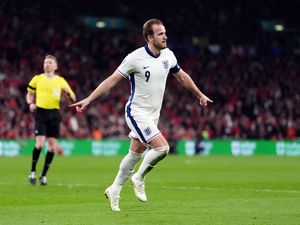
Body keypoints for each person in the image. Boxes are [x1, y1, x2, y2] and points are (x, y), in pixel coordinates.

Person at [70, 18, 213, 211]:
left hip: (153, 115)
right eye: (160, 33)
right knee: (162, 149)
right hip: (136, 112)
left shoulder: (168, 55)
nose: (165, 36)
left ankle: (114, 189)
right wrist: (89, 99)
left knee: (135, 153)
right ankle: (139, 178)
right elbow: (112, 80)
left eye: (165, 32)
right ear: (149, 37)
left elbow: (182, 77)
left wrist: (199, 94)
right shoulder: (134, 58)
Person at [26, 55, 76, 185]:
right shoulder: (37, 78)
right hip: (41, 112)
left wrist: (68, 93)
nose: (47, 64)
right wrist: (30, 103)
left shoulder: (60, 80)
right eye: (45, 62)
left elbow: (73, 99)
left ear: (55, 66)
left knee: (52, 147)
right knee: (40, 144)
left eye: (50, 62)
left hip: (54, 114)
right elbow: (30, 94)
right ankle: (32, 171)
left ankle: (43, 175)